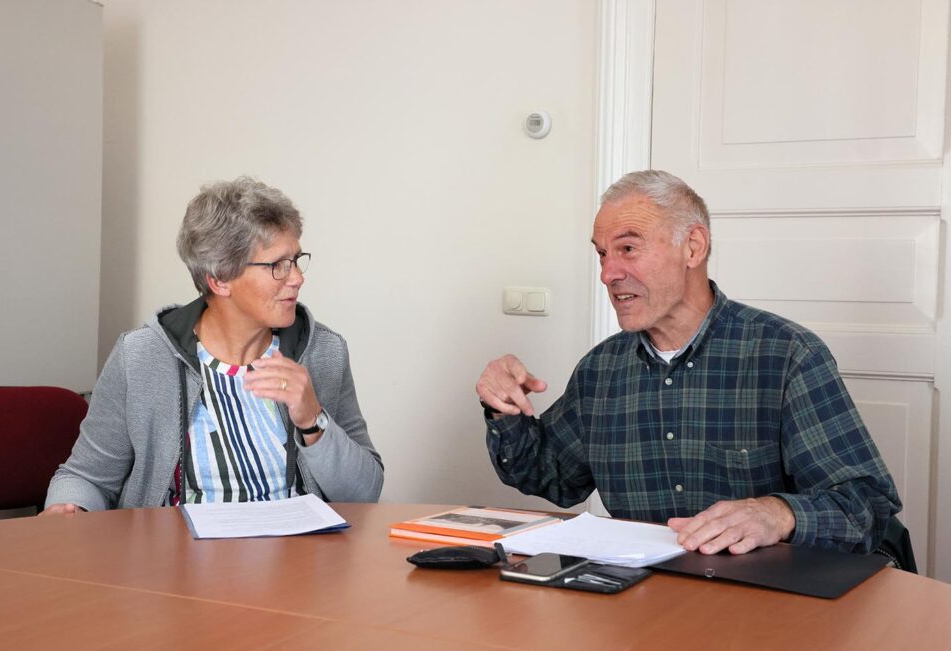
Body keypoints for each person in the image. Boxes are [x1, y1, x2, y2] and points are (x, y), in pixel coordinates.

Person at [475, 170, 900, 555]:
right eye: (602, 254)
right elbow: (551, 477)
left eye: (627, 248)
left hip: (764, 610)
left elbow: (866, 506)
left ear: (692, 247)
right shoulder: (600, 370)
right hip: (640, 605)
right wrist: (503, 406)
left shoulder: (787, 356)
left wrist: (777, 513)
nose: (608, 273)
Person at [44, 177, 383, 513]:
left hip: (299, 560)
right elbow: (86, 477)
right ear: (219, 279)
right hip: (174, 559)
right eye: (277, 266)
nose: (296, 277)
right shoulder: (142, 356)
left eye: (295, 260)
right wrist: (67, 506)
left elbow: (365, 493)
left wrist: (313, 419)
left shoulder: (324, 351)